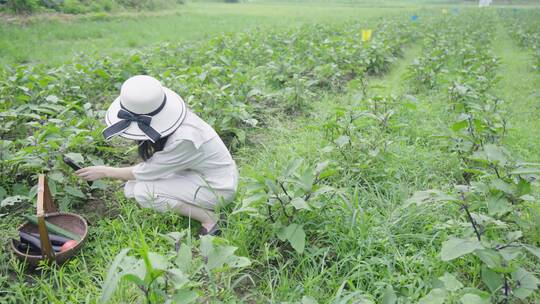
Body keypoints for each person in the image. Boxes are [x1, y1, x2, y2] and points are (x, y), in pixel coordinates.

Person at [76, 75, 238, 235]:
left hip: (218, 188)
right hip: (200, 173)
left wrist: (105, 171)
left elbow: (146, 172)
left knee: (143, 192)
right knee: (131, 188)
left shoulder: (184, 139)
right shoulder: (177, 120)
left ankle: (209, 218)